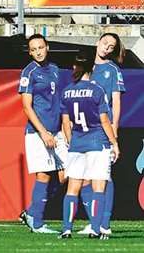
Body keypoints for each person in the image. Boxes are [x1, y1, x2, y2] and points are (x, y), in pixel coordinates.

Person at [58, 49, 120, 240]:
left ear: (75, 67)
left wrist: (71, 141)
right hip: (97, 143)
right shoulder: (97, 90)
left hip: (77, 144)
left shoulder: (67, 91)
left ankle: (66, 229)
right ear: (91, 68)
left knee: (72, 189)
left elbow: (65, 123)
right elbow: (104, 120)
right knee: (98, 188)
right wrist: (114, 143)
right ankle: (95, 229)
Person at [17, 34, 67, 234]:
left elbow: (59, 102)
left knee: (65, 175)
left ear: (47, 47)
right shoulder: (29, 72)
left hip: (57, 131)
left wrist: (63, 128)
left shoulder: (55, 69)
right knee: (44, 174)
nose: (38, 51)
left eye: (41, 47)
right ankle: (37, 223)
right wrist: (44, 132)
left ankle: (30, 213)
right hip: (38, 132)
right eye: (34, 49)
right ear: (30, 52)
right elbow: (27, 108)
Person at [78, 33, 126, 237]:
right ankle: (94, 222)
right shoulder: (86, 66)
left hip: (103, 128)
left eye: (111, 46)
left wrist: (114, 128)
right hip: (83, 129)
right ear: (98, 42)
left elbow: (116, 101)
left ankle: (104, 223)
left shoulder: (113, 70)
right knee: (84, 178)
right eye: (105, 43)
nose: (107, 47)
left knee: (103, 175)